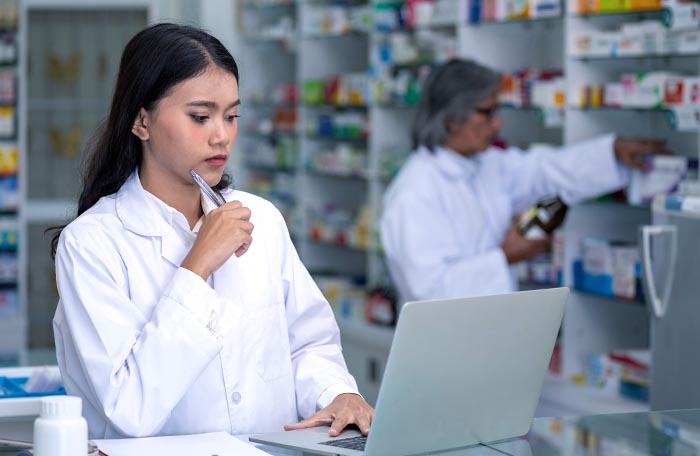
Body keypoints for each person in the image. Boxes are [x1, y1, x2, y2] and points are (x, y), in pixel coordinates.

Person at [51, 23, 373, 440]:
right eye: (200, 117)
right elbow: (129, 407)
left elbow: (309, 343)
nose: (221, 135)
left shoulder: (262, 218)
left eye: (232, 115)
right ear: (141, 122)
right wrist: (197, 264)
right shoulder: (92, 243)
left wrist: (338, 392)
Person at [381, 59, 666, 304]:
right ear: (453, 120)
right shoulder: (415, 192)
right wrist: (504, 257)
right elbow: (430, 295)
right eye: (488, 112)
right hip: (438, 351)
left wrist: (611, 152)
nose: (498, 124)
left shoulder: (486, 163)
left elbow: (545, 171)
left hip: (489, 337)